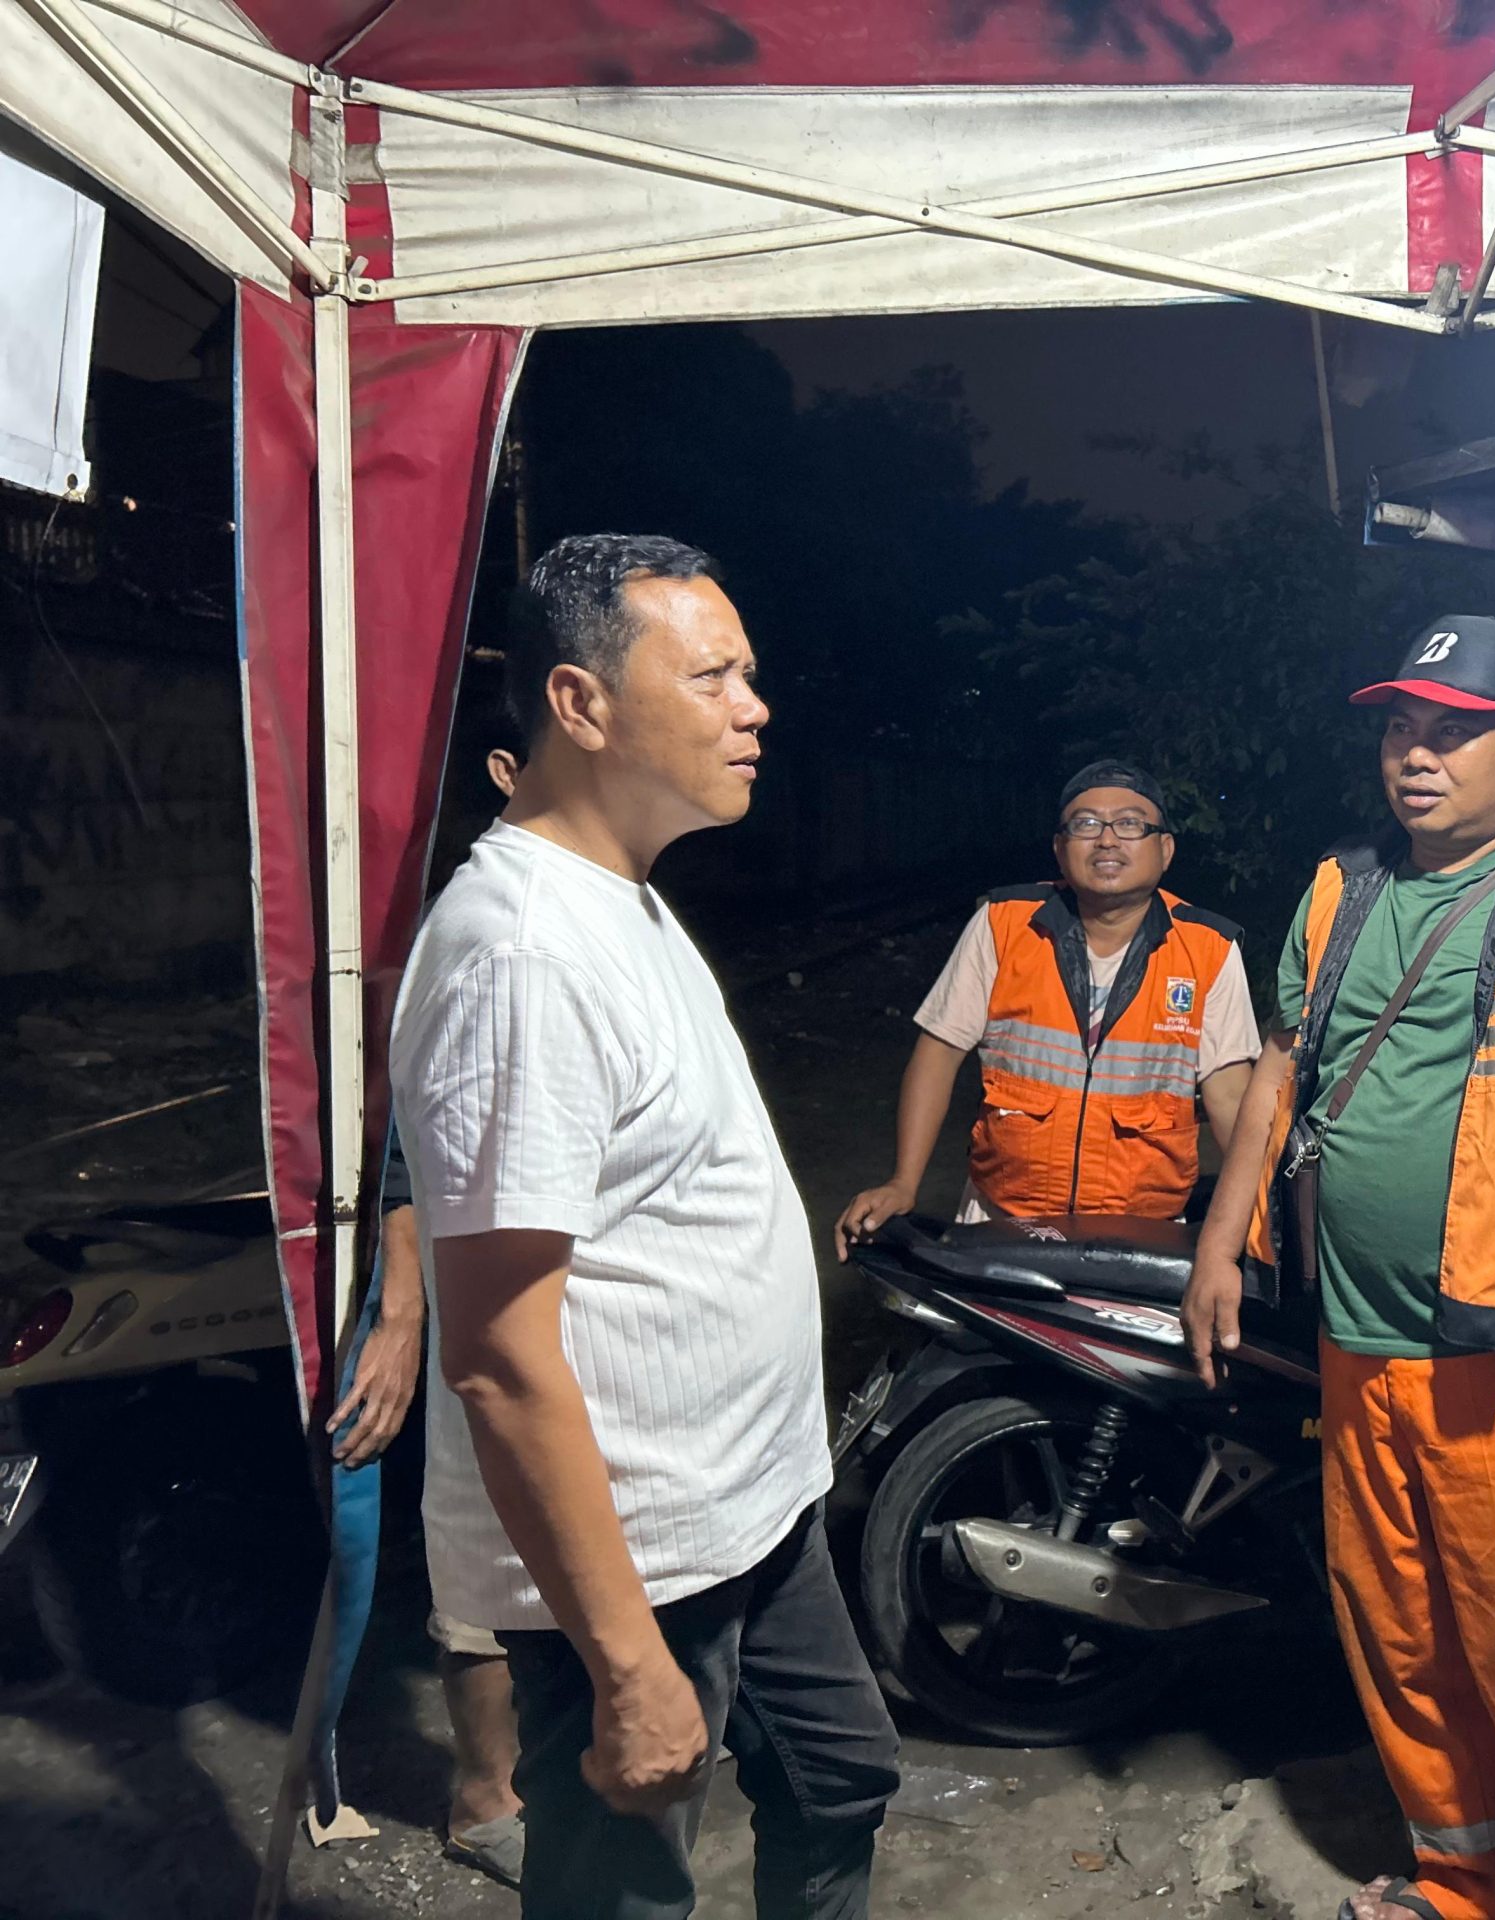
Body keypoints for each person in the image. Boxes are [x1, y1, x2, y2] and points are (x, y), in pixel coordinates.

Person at [390, 533, 899, 1920]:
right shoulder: (522, 956)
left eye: (751, 675)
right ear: (581, 702)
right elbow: (499, 1357)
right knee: (622, 1888)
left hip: (749, 1507)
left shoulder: (619, 899)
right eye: (714, 676)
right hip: (639, 1553)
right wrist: (625, 1666)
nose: (756, 708)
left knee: (840, 1778)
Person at [1183, 617, 1495, 1920]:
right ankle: (1469, 1882)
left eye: (1454, 732)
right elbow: (1282, 1073)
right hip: (1356, 1341)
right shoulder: (1338, 887)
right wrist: (1221, 1246)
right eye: (1401, 729)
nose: (1416, 755)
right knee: (1403, 1633)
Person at [324, 727, 532, 1888]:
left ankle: (544, 1768)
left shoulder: (600, 906)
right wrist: (400, 1319)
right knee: (483, 1539)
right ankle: (485, 1799)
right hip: (474, 1285)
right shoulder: (474, 923)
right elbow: (404, 1144)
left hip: (555, 1284)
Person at [836, 760, 1256, 1246]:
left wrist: (1259, 1217)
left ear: (1164, 850)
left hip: (1144, 1234)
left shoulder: (1208, 948)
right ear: (1059, 849)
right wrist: (903, 1181)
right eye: (1086, 824)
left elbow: (1230, 1097)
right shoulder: (1004, 924)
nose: (1107, 840)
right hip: (1000, 1219)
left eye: (1129, 824)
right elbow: (939, 1053)